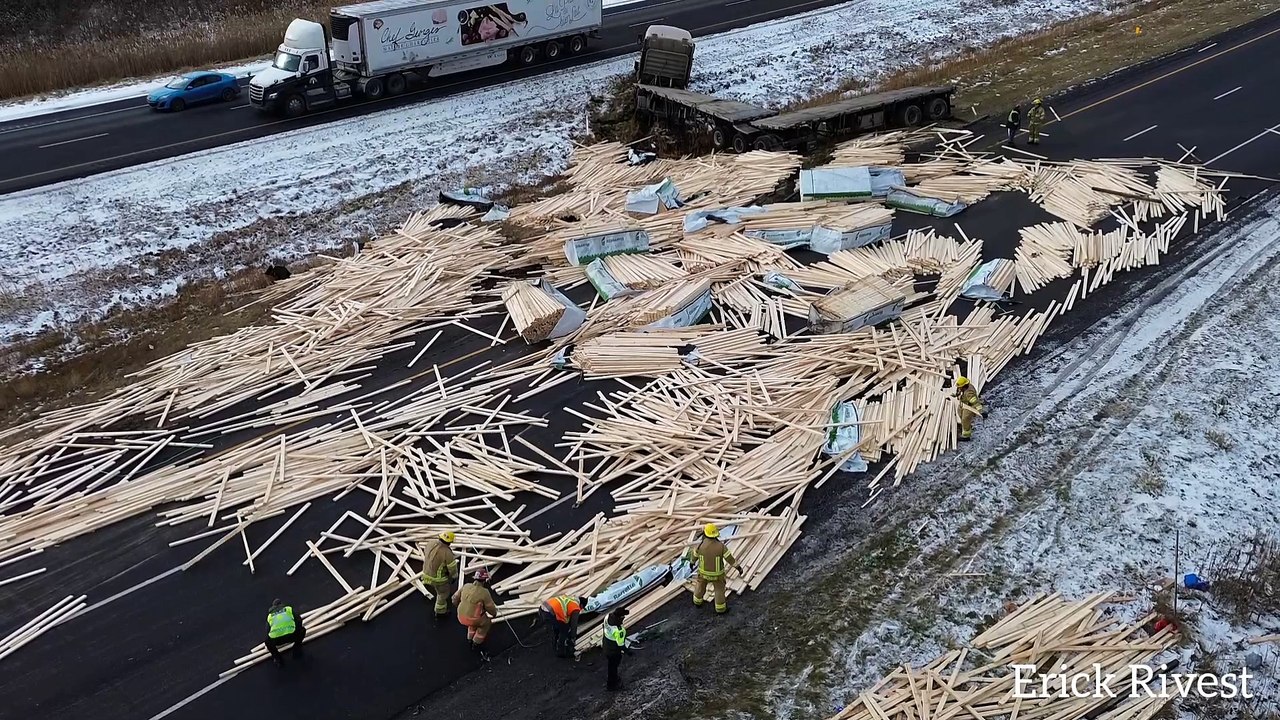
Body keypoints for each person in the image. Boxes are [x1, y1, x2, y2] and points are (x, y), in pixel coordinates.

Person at [686, 523, 741, 614]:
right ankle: (720, 609)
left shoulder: (700, 546)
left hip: (703, 574)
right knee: (719, 590)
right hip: (717, 575)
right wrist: (738, 567)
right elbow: (730, 559)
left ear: (705, 533)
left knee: (700, 587)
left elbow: (694, 556)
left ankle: (697, 602)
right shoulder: (721, 546)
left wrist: (692, 563)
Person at [452, 568, 498, 658]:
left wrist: (459, 607)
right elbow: (490, 608)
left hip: (460, 616)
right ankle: (476, 642)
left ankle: (470, 638)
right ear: (484, 580)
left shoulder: (466, 586)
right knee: (485, 624)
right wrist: (494, 614)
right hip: (473, 619)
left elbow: (454, 598)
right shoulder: (484, 592)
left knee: (472, 623)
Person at [422, 531, 460, 620]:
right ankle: (440, 611)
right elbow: (452, 568)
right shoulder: (447, 552)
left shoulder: (430, 543)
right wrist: (454, 576)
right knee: (443, 593)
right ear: (450, 542)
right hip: (438, 579)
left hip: (425, 573)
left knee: (436, 588)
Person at [539, 594, 585, 658]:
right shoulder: (575, 608)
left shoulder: (570, 599)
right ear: (581, 605)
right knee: (564, 630)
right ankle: (561, 652)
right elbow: (574, 625)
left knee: (557, 627)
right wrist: (573, 637)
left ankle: (555, 644)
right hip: (550, 612)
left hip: (542, 608)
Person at [265, 599, 306, 665]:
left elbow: (267, 631)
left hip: (277, 640)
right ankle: (296, 650)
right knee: (302, 630)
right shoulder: (289, 609)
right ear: (281, 604)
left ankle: (278, 659)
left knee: (267, 642)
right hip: (292, 636)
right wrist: (296, 630)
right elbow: (299, 620)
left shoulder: (270, 616)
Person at [602, 607, 632, 691]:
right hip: (613, 651)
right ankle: (611, 685)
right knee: (613, 667)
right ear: (621, 617)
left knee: (611, 666)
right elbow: (621, 645)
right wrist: (628, 652)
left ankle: (613, 680)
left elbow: (603, 626)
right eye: (623, 617)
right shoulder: (619, 631)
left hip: (606, 645)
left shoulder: (607, 617)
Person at [956, 376, 985, 441]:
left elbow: (975, 403)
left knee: (965, 419)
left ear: (964, 386)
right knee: (960, 413)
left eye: (960, 387)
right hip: (963, 403)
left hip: (969, 406)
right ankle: (966, 426)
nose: (959, 388)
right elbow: (958, 393)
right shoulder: (962, 388)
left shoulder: (969, 393)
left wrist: (981, 411)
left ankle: (966, 436)